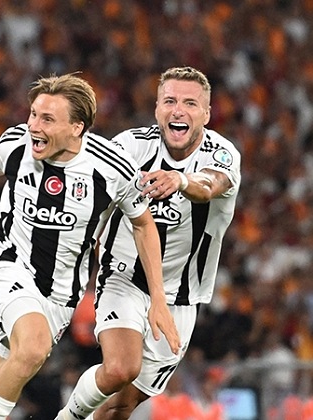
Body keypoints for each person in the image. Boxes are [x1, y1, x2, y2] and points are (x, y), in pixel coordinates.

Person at [0, 73, 180, 420]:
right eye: (33, 114)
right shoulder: (18, 143)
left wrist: (158, 298)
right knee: (32, 348)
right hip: (11, 263)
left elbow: (143, 224)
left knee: (6, 371)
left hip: (62, 292)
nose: (34, 125)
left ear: (77, 127)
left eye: (47, 119)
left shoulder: (112, 169)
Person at [55, 66, 241, 420]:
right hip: (123, 277)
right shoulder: (129, 146)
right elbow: (88, 190)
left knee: (120, 406)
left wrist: (180, 181)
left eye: (190, 103)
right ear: (157, 109)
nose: (178, 110)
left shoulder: (222, 154)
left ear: (206, 114)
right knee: (120, 368)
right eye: (169, 101)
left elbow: (210, 185)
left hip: (181, 297)